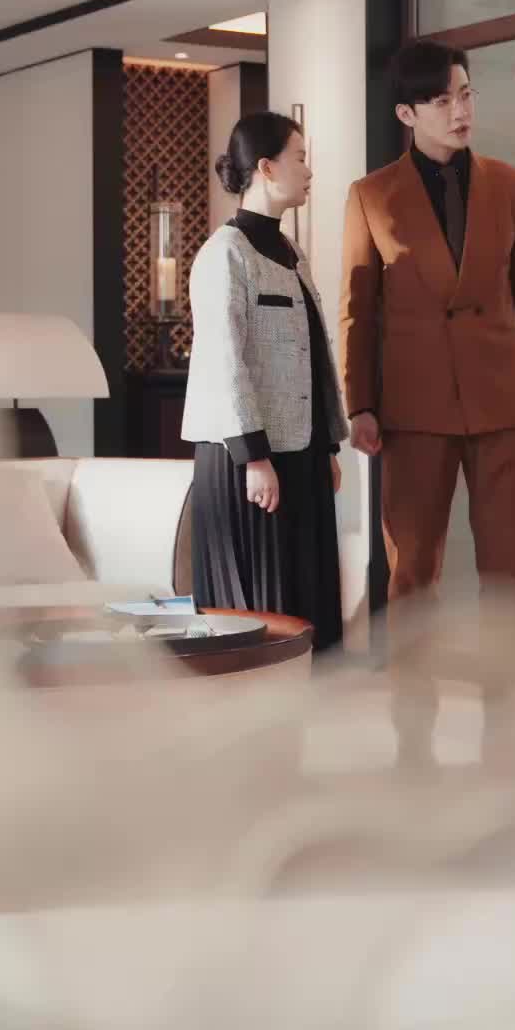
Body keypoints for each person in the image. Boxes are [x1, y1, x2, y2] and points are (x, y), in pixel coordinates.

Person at [339, 40, 515, 769]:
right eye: (442, 99)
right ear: (408, 113)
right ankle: (414, 740)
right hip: (412, 413)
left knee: (508, 577)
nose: (461, 109)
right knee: (413, 577)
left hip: (504, 404)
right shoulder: (371, 196)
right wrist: (360, 404)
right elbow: (358, 311)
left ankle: (506, 733)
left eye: (465, 94)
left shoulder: (511, 185)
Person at [183, 111, 347, 653]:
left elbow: (312, 354)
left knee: (310, 605)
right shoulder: (224, 255)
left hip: (300, 454)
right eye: (300, 158)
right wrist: (254, 458)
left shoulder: (292, 252)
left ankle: (313, 701)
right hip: (248, 461)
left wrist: (326, 445)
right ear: (267, 167)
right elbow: (224, 363)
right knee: (262, 616)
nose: (309, 171)